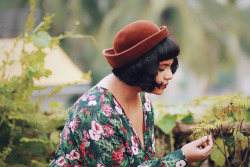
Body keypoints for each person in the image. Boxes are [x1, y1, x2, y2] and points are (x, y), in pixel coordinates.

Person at [50, 20, 213, 167]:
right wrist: (181, 156)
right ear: (140, 67)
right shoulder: (96, 112)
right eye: (162, 68)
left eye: (171, 67)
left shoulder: (143, 99)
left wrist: (182, 156)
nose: (170, 75)